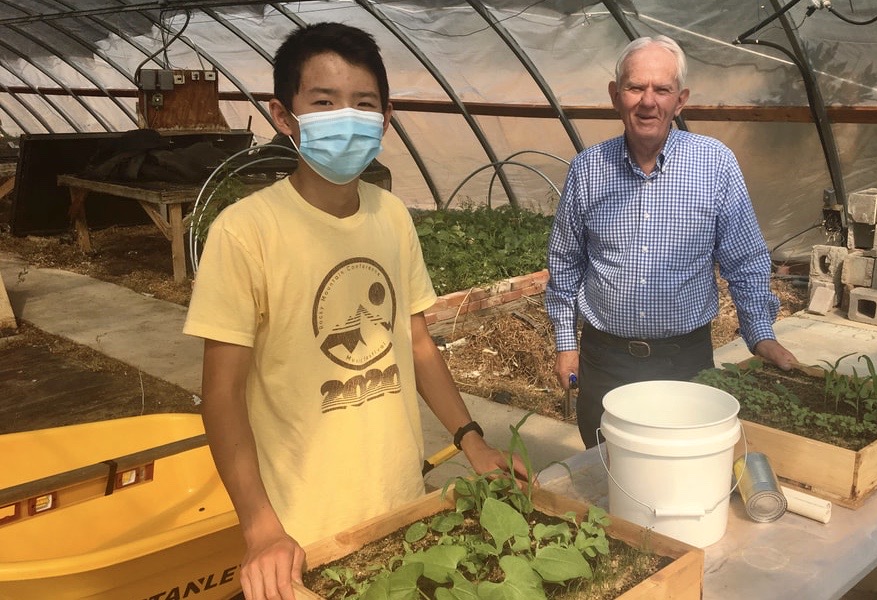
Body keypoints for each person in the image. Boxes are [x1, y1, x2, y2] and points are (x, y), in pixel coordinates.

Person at [183, 23, 524, 600]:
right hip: (302, 531)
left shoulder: (391, 216)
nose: (347, 116)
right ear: (283, 116)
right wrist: (261, 527)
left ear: (385, 117)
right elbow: (221, 395)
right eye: (324, 102)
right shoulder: (245, 233)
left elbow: (415, 343)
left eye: (363, 103)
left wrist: (472, 439)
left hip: (400, 503)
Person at [546, 36, 797, 449]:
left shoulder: (715, 164)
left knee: (679, 471)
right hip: (604, 360)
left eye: (661, 90)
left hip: (684, 362)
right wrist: (566, 343)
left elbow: (745, 259)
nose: (648, 102)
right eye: (635, 87)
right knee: (606, 474)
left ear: (680, 101)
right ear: (615, 95)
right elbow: (566, 263)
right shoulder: (588, 170)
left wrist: (759, 332)